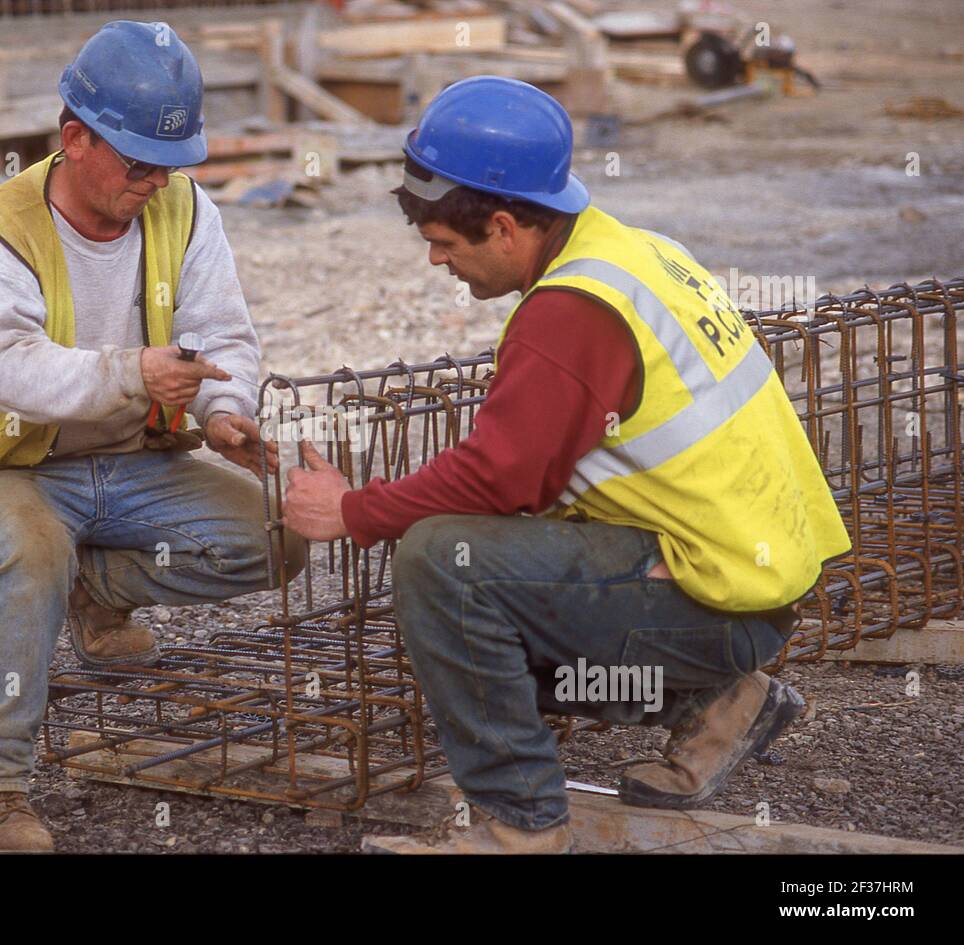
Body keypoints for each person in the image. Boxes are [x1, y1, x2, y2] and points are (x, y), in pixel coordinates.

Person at [281, 76, 850, 854]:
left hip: (713, 594)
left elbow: (500, 478)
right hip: (746, 576)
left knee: (441, 569)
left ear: (507, 226)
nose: (435, 262)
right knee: (479, 637)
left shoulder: (570, 312)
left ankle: (520, 827)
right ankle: (718, 702)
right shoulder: (633, 250)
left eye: (447, 244)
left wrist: (352, 510)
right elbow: (537, 472)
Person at [0, 21, 302, 853]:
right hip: (13, 466)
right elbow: (12, 371)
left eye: (168, 164)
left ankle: (95, 587)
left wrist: (224, 412)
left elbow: (222, 334)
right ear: (74, 140)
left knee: (279, 535)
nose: (155, 182)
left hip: (132, 463)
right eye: (138, 164)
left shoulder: (183, 209)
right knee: (30, 546)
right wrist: (132, 372)